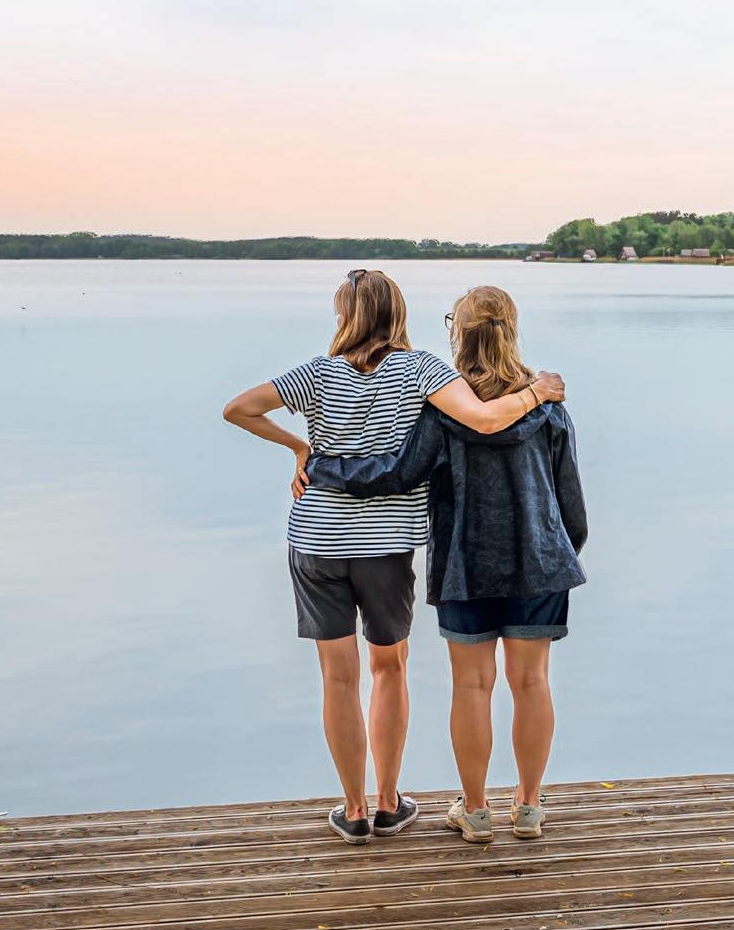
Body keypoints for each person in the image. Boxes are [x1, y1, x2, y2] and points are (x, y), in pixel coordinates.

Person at [222, 270, 564, 844]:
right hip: (391, 546)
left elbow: (239, 409)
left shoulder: (316, 373)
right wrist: (539, 391)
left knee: (339, 677)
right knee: (393, 668)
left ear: (346, 316)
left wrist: (302, 448)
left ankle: (359, 811)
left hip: (318, 541)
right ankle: (396, 802)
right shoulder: (423, 371)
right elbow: (493, 427)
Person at [306, 285, 586, 844]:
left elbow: (396, 474)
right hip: (540, 563)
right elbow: (571, 502)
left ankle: (477, 812)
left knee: (473, 686)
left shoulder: (442, 408)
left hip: (465, 566)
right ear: (512, 329)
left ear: (458, 333)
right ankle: (528, 808)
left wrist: (323, 466)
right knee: (532, 682)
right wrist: (559, 552)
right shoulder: (549, 405)